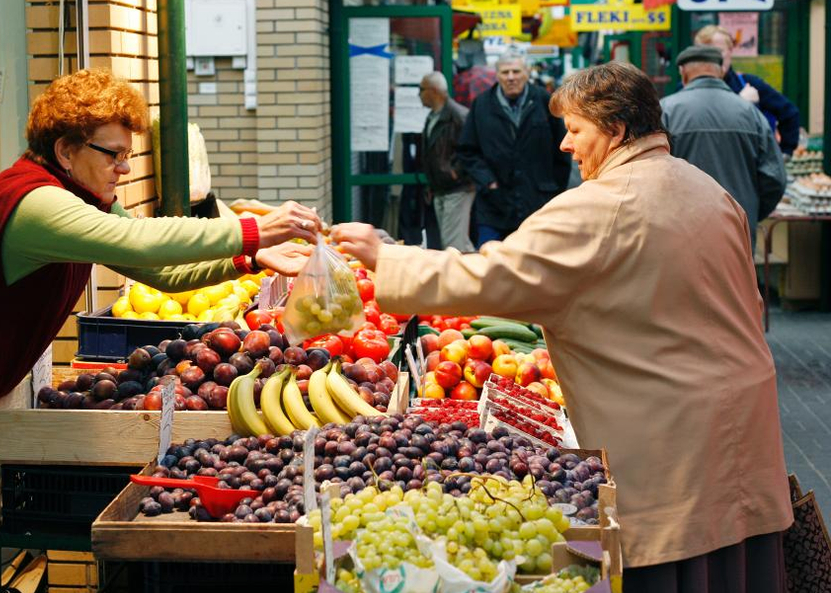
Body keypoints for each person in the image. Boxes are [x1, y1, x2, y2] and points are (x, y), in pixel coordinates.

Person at [333, 61, 792, 592]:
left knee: (675, 558)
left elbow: (493, 278)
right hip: (743, 416)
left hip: (670, 438)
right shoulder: (709, 190)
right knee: (734, 560)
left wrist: (386, 259)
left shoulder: (597, 207)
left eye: (575, 130)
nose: (565, 146)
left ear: (616, 130)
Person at [0, 68, 321, 592]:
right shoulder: (35, 202)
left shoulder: (77, 197)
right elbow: (138, 244)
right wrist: (251, 227)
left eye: (126, 152)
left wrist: (248, 258)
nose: (125, 166)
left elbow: (159, 270)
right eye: (112, 153)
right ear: (66, 150)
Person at [661, 45, 786, 250]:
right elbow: (774, 178)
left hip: (680, 232)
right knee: (736, 282)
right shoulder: (751, 113)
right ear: (721, 71)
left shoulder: (666, 111)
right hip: (736, 231)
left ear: (683, 73)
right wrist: (749, 211)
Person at [456, 50, 570, 247]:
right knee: (489, 266)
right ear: (497, 75)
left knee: (536, 266)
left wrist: (552, 189)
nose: (511, 77)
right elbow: (467, 150)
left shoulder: (545, 101)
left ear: (526, 73)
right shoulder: (482, 105)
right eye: (505, 72)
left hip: (537, 204)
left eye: (516, 72)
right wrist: (488, 181)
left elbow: (563, 149)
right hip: (493, 206)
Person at [695, 24, 800, 157]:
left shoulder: (749, 83)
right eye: (706, 53)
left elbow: (790, 113)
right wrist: (741, 103)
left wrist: (784, 154)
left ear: (730, 51)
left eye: (718, 51)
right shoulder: (686, 90)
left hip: (747, 166)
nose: (714, 59)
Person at [418, 71, 475, 252]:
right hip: (441, 188)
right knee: (457, 243)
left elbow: (472, 150)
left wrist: (455, 173)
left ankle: (468, 278)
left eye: (421, 89)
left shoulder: (459, 116)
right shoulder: (432, 117)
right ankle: (483, 275)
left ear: (433, 91)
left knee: (453, 245)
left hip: (457, 188)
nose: (419, 94)